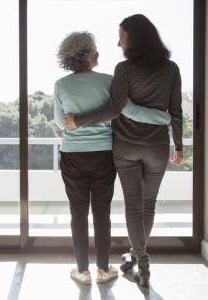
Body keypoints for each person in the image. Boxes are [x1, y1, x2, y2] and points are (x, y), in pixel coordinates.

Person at [64, 15, 183, 288]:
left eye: (122, 36)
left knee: (133, 204)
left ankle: (141, 260)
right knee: (148, 204)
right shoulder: (172, 69)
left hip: (126, 147)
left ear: (135, 37)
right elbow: (175, 111)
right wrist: (179, 145)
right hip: (157, 148)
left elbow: (114, 109)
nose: (118, 43)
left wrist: (78, 121)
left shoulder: (124, 69)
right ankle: (138, 256)